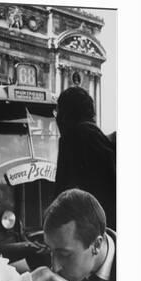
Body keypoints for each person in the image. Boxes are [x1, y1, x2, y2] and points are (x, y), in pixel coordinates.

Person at [39, 189, 116, 281]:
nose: (55, 267)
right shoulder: (63, 276)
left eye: (64, 255)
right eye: (50, 252)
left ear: (97, 245)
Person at [54, 86, 116, 230]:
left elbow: (62, 196)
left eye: (58, 112)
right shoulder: (99, 138)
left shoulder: (71, 138)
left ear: (65, 115)